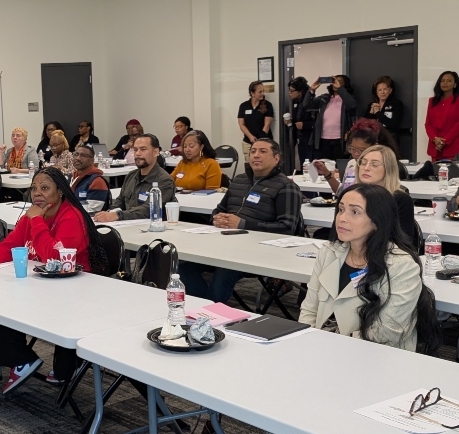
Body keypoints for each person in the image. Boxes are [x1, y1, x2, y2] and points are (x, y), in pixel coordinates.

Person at [268, 183, 437, 434]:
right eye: (341, 209)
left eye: (354, 212)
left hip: (378, 369)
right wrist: (301, 350)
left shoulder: (401, 265)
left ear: (378, 221)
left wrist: (322, 356)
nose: (342, 218)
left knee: (295, 394)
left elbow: (385, 334)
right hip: (323, 357)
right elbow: (309, 310)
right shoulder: (330, 253)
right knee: (262, 392)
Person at [0, 167, 107, 390]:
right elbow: (10, 246)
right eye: (34, 188)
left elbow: (54, 259)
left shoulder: (70, 216)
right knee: (0, 299)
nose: (38, 194)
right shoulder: (34, 214)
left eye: (45, 188)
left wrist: (37, 221)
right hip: (44, 285)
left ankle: (63, 362)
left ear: (61, 192)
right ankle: (21, 359)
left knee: (10, 302)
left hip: (76, 289)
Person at [178, 139, 303, 302]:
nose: (256, 155)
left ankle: (209, 316)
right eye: (253, 151)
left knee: (224, 272)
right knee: (183, 268)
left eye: (263, 152)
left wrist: (243, 224)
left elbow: (287, 229)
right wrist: (218, 218)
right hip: (225, 246)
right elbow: (219, 210)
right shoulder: (239, 180)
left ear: (276, 158)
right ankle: (205, 308)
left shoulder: (286, 187)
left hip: (258, 252)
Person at [94, 134, 177, 222]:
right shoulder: (131, 176)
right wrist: (108, 214)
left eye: (143, 149)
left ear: (155, 152)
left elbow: (148, 210)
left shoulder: (164, 180)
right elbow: (119, 202)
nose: (137, 153)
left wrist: (118, 215)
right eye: (135, 149)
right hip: (126, 225)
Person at [312, 118, 405, 192]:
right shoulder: (351, 164)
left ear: (375, 147)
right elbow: (343, 192)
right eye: (352, 149)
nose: (356, 154)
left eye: (361, 150)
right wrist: (327, 174)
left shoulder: (381, 167)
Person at [424, 71, 459, 162]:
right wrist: (435, 139)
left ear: (455, 85)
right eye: (443, 81)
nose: (445, 83)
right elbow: (428, 124)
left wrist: (444, 141)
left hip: (456, 147)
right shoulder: (433, 101)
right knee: (437, 174)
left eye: (449, 81)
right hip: (437, 148)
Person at [308, 75, 357, 161]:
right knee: (324, 166)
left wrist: (341, 89)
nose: (336, 83)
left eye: (340, 82)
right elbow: (307, 106)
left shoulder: (347, 99)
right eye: (334, 81)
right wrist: (312, 90)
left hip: (340, 140)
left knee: (339, 167)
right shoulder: (325, 98)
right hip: (323, 140)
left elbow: (352, 105)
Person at [238, 81, 274, 158]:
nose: (262, 93)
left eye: (263, 91)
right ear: (252, 93)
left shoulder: (268, 105)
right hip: (248, 141)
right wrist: (250, 137)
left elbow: (267, 125)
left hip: (264, 141)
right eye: (260, 92)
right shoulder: (244, 106)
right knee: (249, 165)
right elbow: (241, 124)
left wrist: (260, 139)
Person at [70, 144, 111, 212]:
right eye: (76, 154)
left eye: (83, 155)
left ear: (92, 161)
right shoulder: (72, 177)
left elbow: (91, 211)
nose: (78, 158)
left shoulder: (97, 181)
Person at [286, 77, 317, 165]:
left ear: (300, 91)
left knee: (311, 162)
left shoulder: (311, 102)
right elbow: (297, 120)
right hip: (300, 138)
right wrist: (290, 122)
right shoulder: (295, 102)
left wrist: (305, 125)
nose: (290, 93)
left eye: (292, 91)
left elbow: (318, 122)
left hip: (310, 138)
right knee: (303, 162)